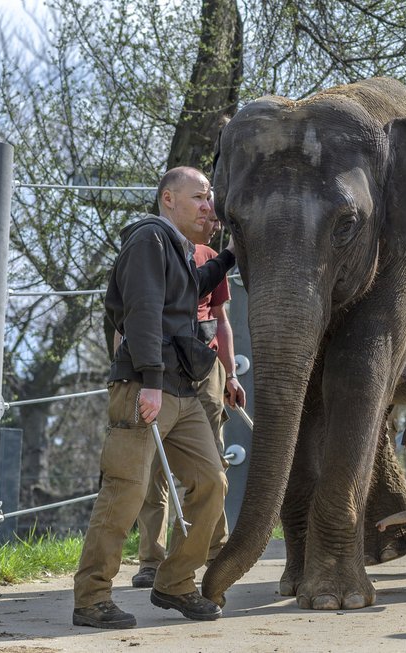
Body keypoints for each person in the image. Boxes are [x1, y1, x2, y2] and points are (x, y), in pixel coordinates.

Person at [72, 167, 236, 629]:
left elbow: (186, 295)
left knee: (211, 483)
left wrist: (227, 258)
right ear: (168, 199)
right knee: (125, 491)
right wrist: (148, 380)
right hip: (147, 387)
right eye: (200, 197)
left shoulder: (176, 249)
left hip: (182, 389)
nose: (209, 207)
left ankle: (176, 581)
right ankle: (91, 599)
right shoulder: (148, 240)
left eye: (210, 199)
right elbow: (141, 310)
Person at [131, 210, 246, 589]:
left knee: (212, 460)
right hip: (163, 367)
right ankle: (152, 558)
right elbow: (130, 319)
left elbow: (221, 317)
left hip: (205, 365)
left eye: (214, 213)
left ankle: (215, 549)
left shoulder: (210, 257)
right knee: (153, 465)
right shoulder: (152, 250)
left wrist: (230, 374)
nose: (211, 219)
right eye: (201, 205)